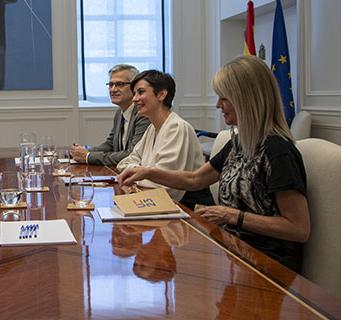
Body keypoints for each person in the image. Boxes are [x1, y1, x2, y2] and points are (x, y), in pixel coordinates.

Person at [117, 55, 310, 272]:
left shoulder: (278, 151)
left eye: (224, 98)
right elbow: (195, 179)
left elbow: (298, 228)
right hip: (234, 250)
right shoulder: (238, 143)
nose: (218, 105)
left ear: (247, 99)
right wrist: (147, 173)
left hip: (267, 262)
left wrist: (231, 215)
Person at [116, 70, 214, 210]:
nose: (134, 99)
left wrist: (136, 173)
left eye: (141, 92)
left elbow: (164, 185)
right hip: (157, 204)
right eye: (135, 93)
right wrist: (138, 171)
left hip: (191, 213)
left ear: (162, 94)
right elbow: (125, 163)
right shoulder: (152, 128)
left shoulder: (177, 128)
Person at [71, 64, 151, 165]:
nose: (113, 89)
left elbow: (132, 155)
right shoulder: (120, 112)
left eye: (120, 84)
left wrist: (88, 156)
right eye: (111, 84)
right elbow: (110, 144)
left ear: (134, 87)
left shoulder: (143, 114)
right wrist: (82, 152)